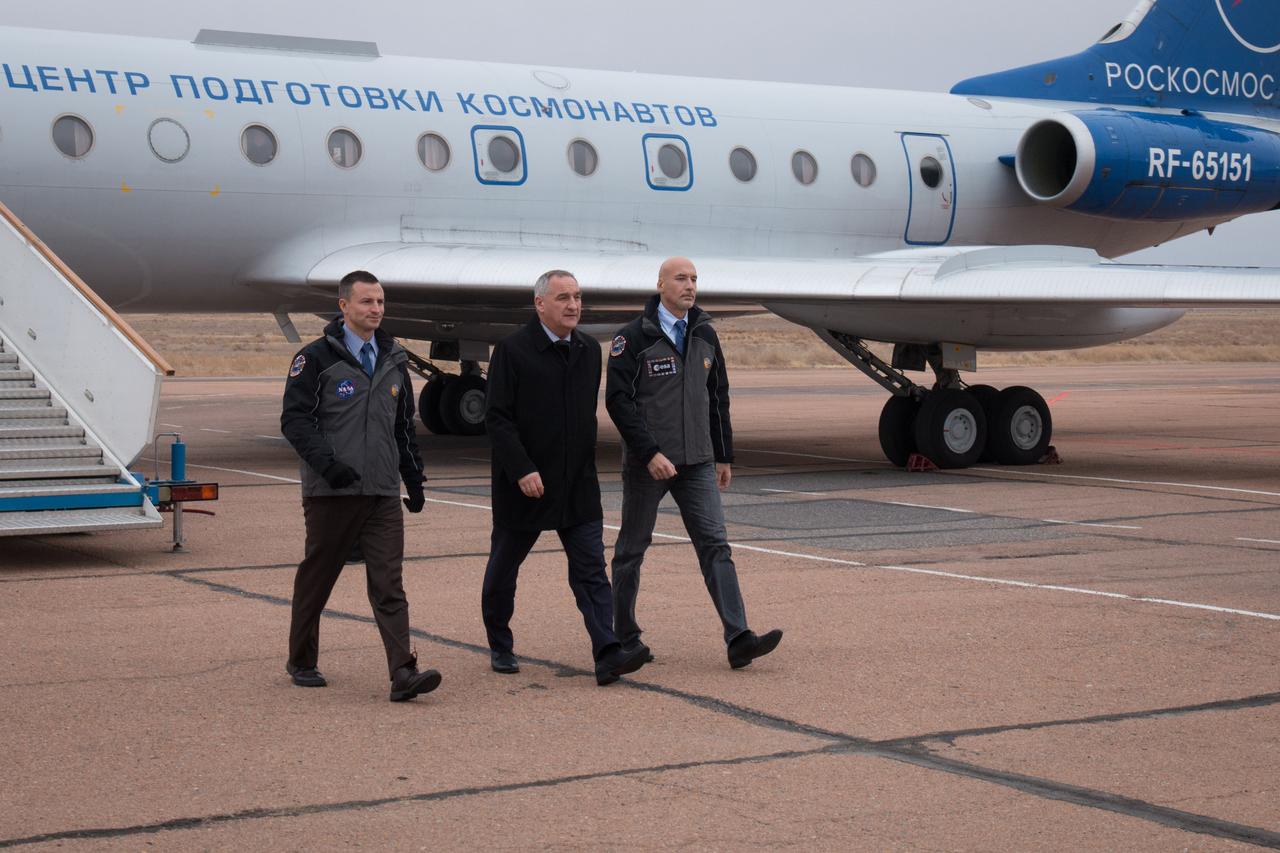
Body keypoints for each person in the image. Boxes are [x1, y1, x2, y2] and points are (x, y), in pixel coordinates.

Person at [606, 257, 783, 669]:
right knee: (631, 550)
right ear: (661, 284)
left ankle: (739, 637)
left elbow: (717, 395)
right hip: (649, 464)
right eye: (681, 278)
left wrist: (723, 455)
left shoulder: (704, 333)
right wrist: (649, 453)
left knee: (715, 545)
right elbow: (618, 401)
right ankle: (624, 638)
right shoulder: (633, 337)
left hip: (698, 462)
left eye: (694, 279)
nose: (690, 286)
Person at [280, 270, 441, 702]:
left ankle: (403, 673)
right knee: (319, 577)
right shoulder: (314, 359)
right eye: (367, 302)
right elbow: (295, 420)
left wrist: (414, 477)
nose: (376, 310)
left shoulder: (394, 359)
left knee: (389, 583)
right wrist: (328, 466)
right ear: (344, 306)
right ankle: (302, 659)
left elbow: (403, 427)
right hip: (332, 492)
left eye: (381, 302)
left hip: (382, 493)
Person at [482, 270, 650, 686]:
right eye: (563, 298)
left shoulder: (590, 350)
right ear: (540, 304)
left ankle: (607, 652)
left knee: (591, 570)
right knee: (504, 571)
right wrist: (521, 468)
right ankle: (500, 645)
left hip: (576, 484)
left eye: (577, 297)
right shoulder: (512, 350)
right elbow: (498, 419)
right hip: (525, 484)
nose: (573, 305)